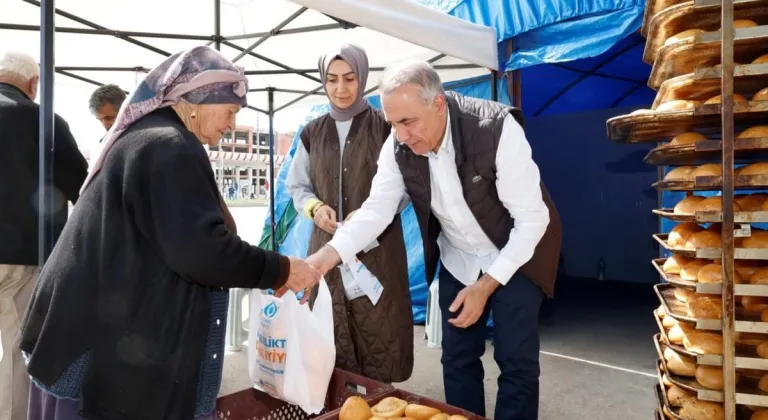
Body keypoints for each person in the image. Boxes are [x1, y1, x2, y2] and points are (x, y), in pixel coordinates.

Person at [18, 46, 320, 420]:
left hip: (91, 331)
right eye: (230, 111)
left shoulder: (150, 138)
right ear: (197, 101)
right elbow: (201, 251)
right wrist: (282, 269)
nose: (230, 123)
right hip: (99, 348)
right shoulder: (170, 146)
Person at [305, 60, 562, 420]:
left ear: (438, 104)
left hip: (516, 253)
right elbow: (378, 209)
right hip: (459, 258)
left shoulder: (494, 128)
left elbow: (533, 219)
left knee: (516, 360)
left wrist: (486, 285)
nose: (402, 134)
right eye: (394, 123)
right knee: (457, 357)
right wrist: (326, 257)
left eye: (408, 121)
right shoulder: (398, 144)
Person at [285, 44, 413, 384]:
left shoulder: (385, 127)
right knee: (331, 332)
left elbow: (405, 187)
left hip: (377, 251)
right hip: (325, 246)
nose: (341, 89)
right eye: (332, 80)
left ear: (364, 78)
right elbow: (297, 187)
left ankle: (379, 404)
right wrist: (315, 208)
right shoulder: (312, 132)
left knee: (378, 334)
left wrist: (372, 214)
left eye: (350, 78)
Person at [0, 50, 88, 420]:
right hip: (22, 256)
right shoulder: (41, 120)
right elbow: (82, 185)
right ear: (34, 84)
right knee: (19, 352)